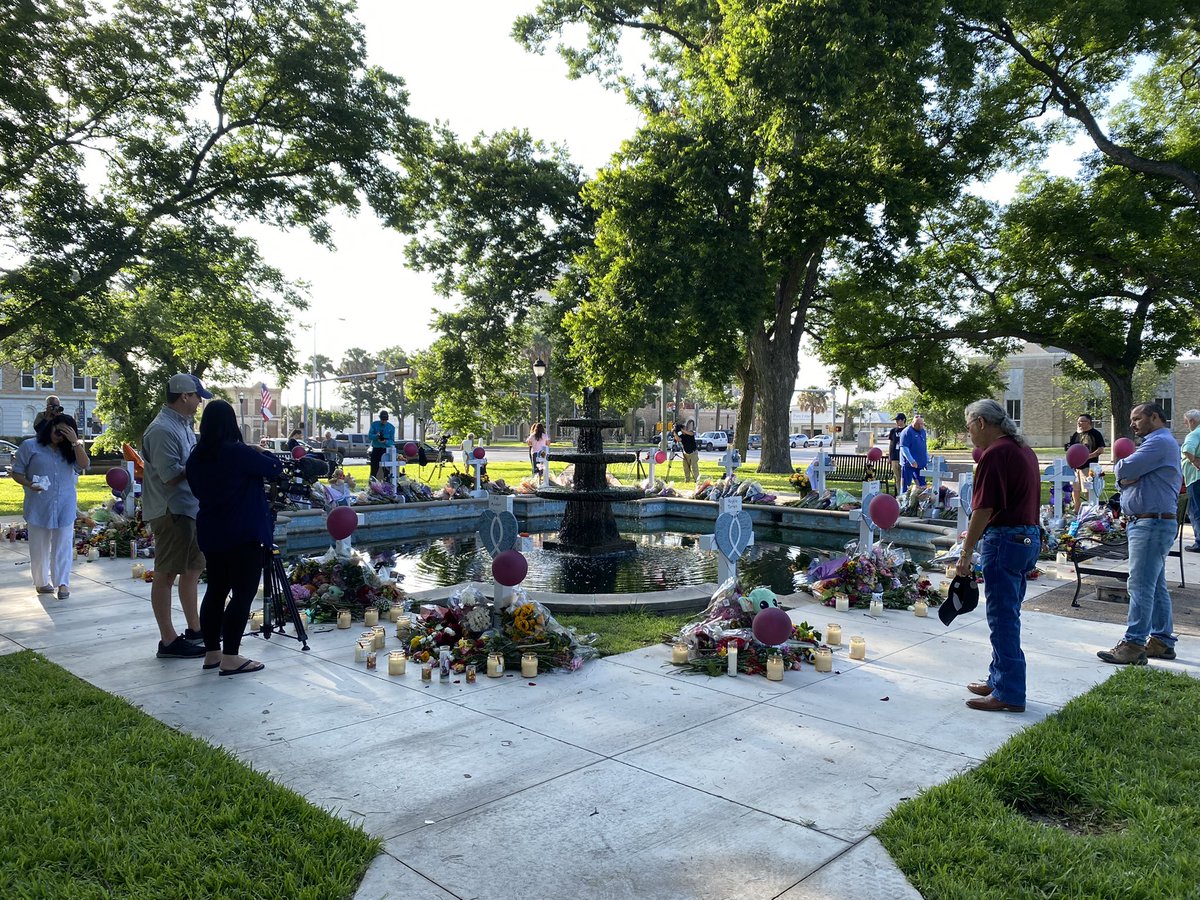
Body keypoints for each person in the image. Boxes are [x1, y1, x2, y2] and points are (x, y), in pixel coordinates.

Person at [956, 399, 1041, 713]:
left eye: (969, 429)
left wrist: (965, 554)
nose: (970, 436)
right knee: (1008, 612)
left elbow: (984, 508)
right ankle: (999, 677)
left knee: (1002, 617)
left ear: (980, 422)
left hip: (1005, 540)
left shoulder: (995, 454)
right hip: (1026, 537)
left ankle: (1009, 692)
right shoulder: (1022, 449)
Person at [186, 400, 282, 676]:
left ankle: (212, 653)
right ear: (231, 424)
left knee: (216, 591)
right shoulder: (237, 452)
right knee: (243, 593)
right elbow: (274, 468)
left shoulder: (197, 457)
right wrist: (260, 450)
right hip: (243, 533)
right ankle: (231, 657)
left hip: (211, 531)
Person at [1098, 402, 1182, 666]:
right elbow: (1125, 480)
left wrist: (1125, 473)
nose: (1132, 424)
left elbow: (1122, 470)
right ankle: (1162, 641)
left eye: (1137, 419)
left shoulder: (1159, 442)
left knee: (1139, 585)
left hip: (1151, 524)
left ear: (1154, 417)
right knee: (1154, 585)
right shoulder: (1157, 443)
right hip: (1148, 523)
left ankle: (1134, 644)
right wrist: (1127, 478)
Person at [142, 373, 211, 659]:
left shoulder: (181, 425)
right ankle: (168, 641)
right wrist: (205, 464)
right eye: (197, 397)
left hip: (189, 508)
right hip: (171, 511)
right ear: (184, 396)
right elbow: (170, 475)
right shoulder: (162, 430)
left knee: (193, 571)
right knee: (166, 573)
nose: (199, 402)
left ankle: (194, 629)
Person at [12, 414, 89, 599]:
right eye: (57, 430)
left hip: (65, 504)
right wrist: (30, 484)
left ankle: (63, 583)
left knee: (63, 545)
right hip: (39, 504)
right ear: (50, 426)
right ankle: (41, 582)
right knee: (39, 547)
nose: (58, 435)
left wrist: (75, 443)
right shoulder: (30, 446)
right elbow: (17, 472)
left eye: (64, 433)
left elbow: (85, 465)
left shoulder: (70, 450)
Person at [1065, 413, 1106, 514]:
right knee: (1075, 489)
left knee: (1088, 490)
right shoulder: (1076, 434)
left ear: (1089, 422)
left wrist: (1088, 456)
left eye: (1082, 421)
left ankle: (1090, 511)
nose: (1079, 423)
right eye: (1078, 421)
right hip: (1076, 468)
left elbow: (1101, 450)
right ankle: (1077, 510)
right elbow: (1072, 449)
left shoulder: (1095, 434)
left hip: (1089, 467)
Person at [1181, 409, 1200, 553]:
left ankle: (1199, 542)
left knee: (1195, 510)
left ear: (1192, 421)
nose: (1186, 425)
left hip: (1195, 477)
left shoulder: (1194, 434)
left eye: (1186, 422)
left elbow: (1187, 450)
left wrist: (1194, 462)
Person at [898, 414, 928, 492]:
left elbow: (924, 447)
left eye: (922, 424)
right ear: (912, 422)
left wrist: (926, 459)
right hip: (909, 464)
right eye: (918, 424)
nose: (920, 426)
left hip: (920, 464)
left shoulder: (923, 432)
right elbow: (904, 448)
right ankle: (903, 501)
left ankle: (920, 501)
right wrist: (911, 460)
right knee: (906, 485)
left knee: (922, 485)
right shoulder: (907, 432)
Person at [368, 410, 395, 481]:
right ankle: (372, 485)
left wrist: (385, 441)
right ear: (380, 418)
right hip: (376, 449)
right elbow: (370, 436)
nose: (384, 421)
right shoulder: (374, 425)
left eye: (385, 420)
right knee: (374, 469)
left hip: (385, 450)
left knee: (386, 470)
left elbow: (392, 441)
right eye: (382, 419)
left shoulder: (391, 427)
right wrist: (376, 436)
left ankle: (388, 486)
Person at [887, 413, 906, 495]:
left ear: (903, 420)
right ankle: (899, 495)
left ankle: (905, 494)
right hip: (894, 457)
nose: (897, 422)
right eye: (896, 420)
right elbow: (891, 444)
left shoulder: (907, 430)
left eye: (898, 420)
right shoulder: (893, 431)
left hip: (904, 458)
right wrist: (889, 456)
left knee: (904, 478)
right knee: (897, 478)